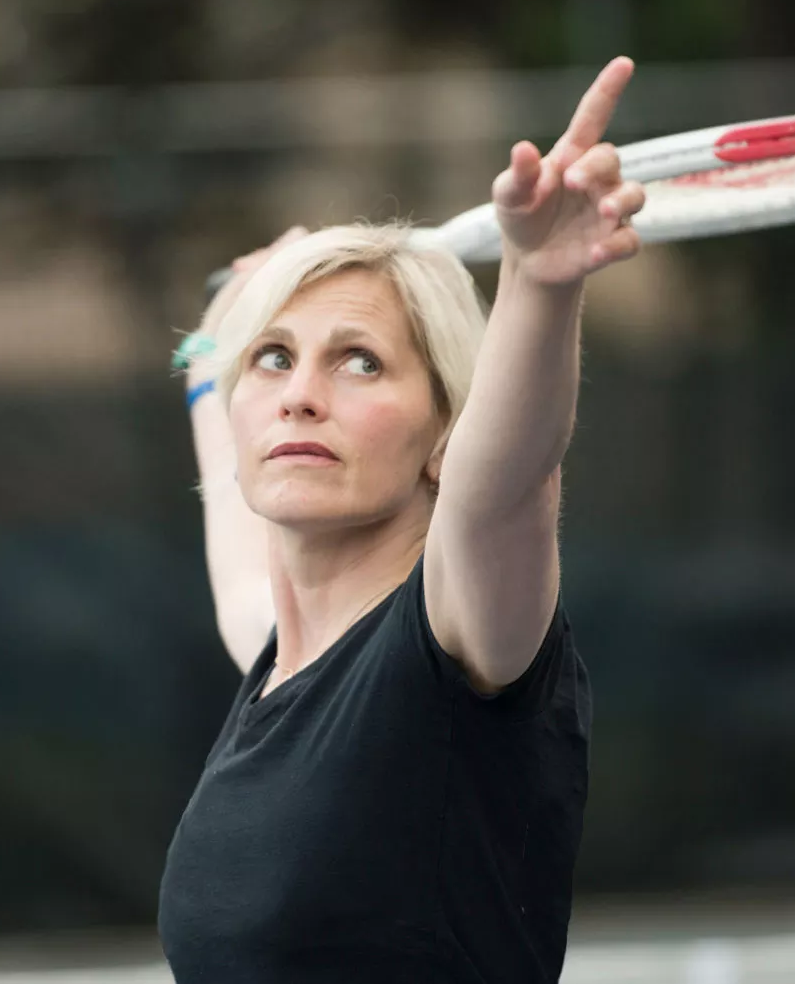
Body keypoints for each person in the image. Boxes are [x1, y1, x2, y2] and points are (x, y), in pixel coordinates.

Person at [159, 57, 647, 984]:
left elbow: (506, 478)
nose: (300, 395)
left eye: (359, 363)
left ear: (442, 435)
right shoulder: (274, 647)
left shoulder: (456, 633)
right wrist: (215, 337)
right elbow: (208, 381)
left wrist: (539, 283)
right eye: (275, 358)